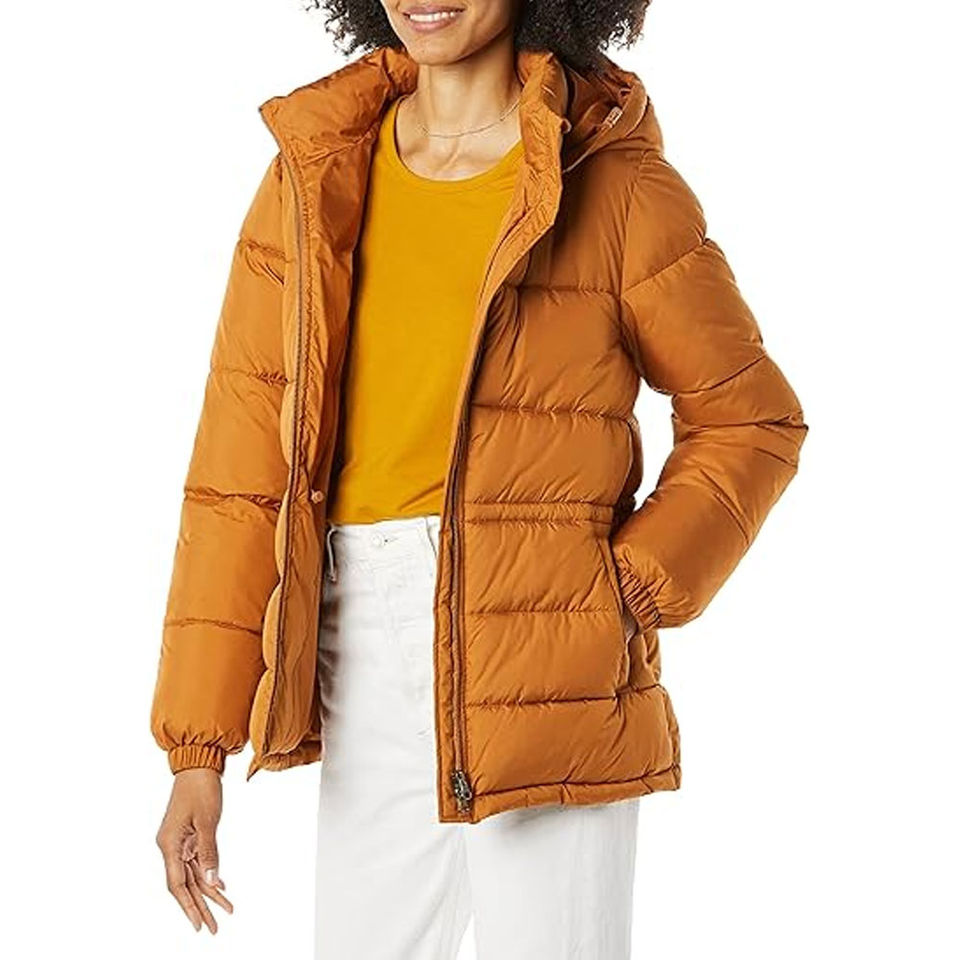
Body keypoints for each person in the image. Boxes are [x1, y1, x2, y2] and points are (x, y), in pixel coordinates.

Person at [151, 1, 809, 956]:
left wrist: (622, 591)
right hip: (358, 649)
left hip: (549, 667)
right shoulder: (314, 172)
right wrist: (198, 749)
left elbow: (753, 419)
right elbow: (237, 476)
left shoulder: (613, 184)